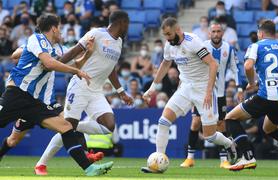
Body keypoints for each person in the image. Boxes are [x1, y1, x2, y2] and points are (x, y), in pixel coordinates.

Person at [0, 13, 113, 176]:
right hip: (16, 95)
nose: (61, 32)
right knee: (13, 140)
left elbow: (75, 63)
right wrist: (76, 71)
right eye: (59, 28)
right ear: (53, 28)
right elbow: (47, 62)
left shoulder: (59, 49)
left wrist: (87, 53)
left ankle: (89, 168)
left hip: (35, 102)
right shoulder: (36, 39)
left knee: (66, 126)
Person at [33, 10, 133, 175]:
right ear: (122, 22)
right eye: (127, 24)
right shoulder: (96, 34)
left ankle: (73, 126)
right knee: (67, 128)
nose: (128, 27)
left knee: (109, 126)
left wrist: (121, 92)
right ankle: (41, 164)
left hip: (96, 91)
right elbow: (74, 51)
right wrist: (53, 65)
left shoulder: (119, 42)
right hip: (79, 85)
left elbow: (111, 68)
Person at [141, 17, 237, 173]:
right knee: (163, 121)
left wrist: (208, 92)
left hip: (203, 89)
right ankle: (157, 162)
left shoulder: (193, 42)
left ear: (178, 30)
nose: (167, 38)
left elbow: (213, 64)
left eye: (169, 34)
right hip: (185, 88)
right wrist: (152, 88)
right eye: (165, 35)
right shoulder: (169, 45)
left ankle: (229, 144)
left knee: (209, 136)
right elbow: (165, 64)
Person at [224, 19, 278, 176]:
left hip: (267, 96)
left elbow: (248, 66)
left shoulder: (256, 46)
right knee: (268, 129)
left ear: (261, 33)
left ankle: (247, 156)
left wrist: (251, 83)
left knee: (230, 118)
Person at [180, 22, 243, 169]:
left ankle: (223, 160)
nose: (216, 34)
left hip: (219, 94)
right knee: (195, 122)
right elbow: (192, 67)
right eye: (213, 31)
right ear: (209, 33)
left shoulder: (229, 48)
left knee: (220, 125)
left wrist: (239, 88)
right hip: (201, 92)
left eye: (218, 31)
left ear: (222, 33)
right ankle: (190, 158)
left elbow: (236, 69)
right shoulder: (202, 47)